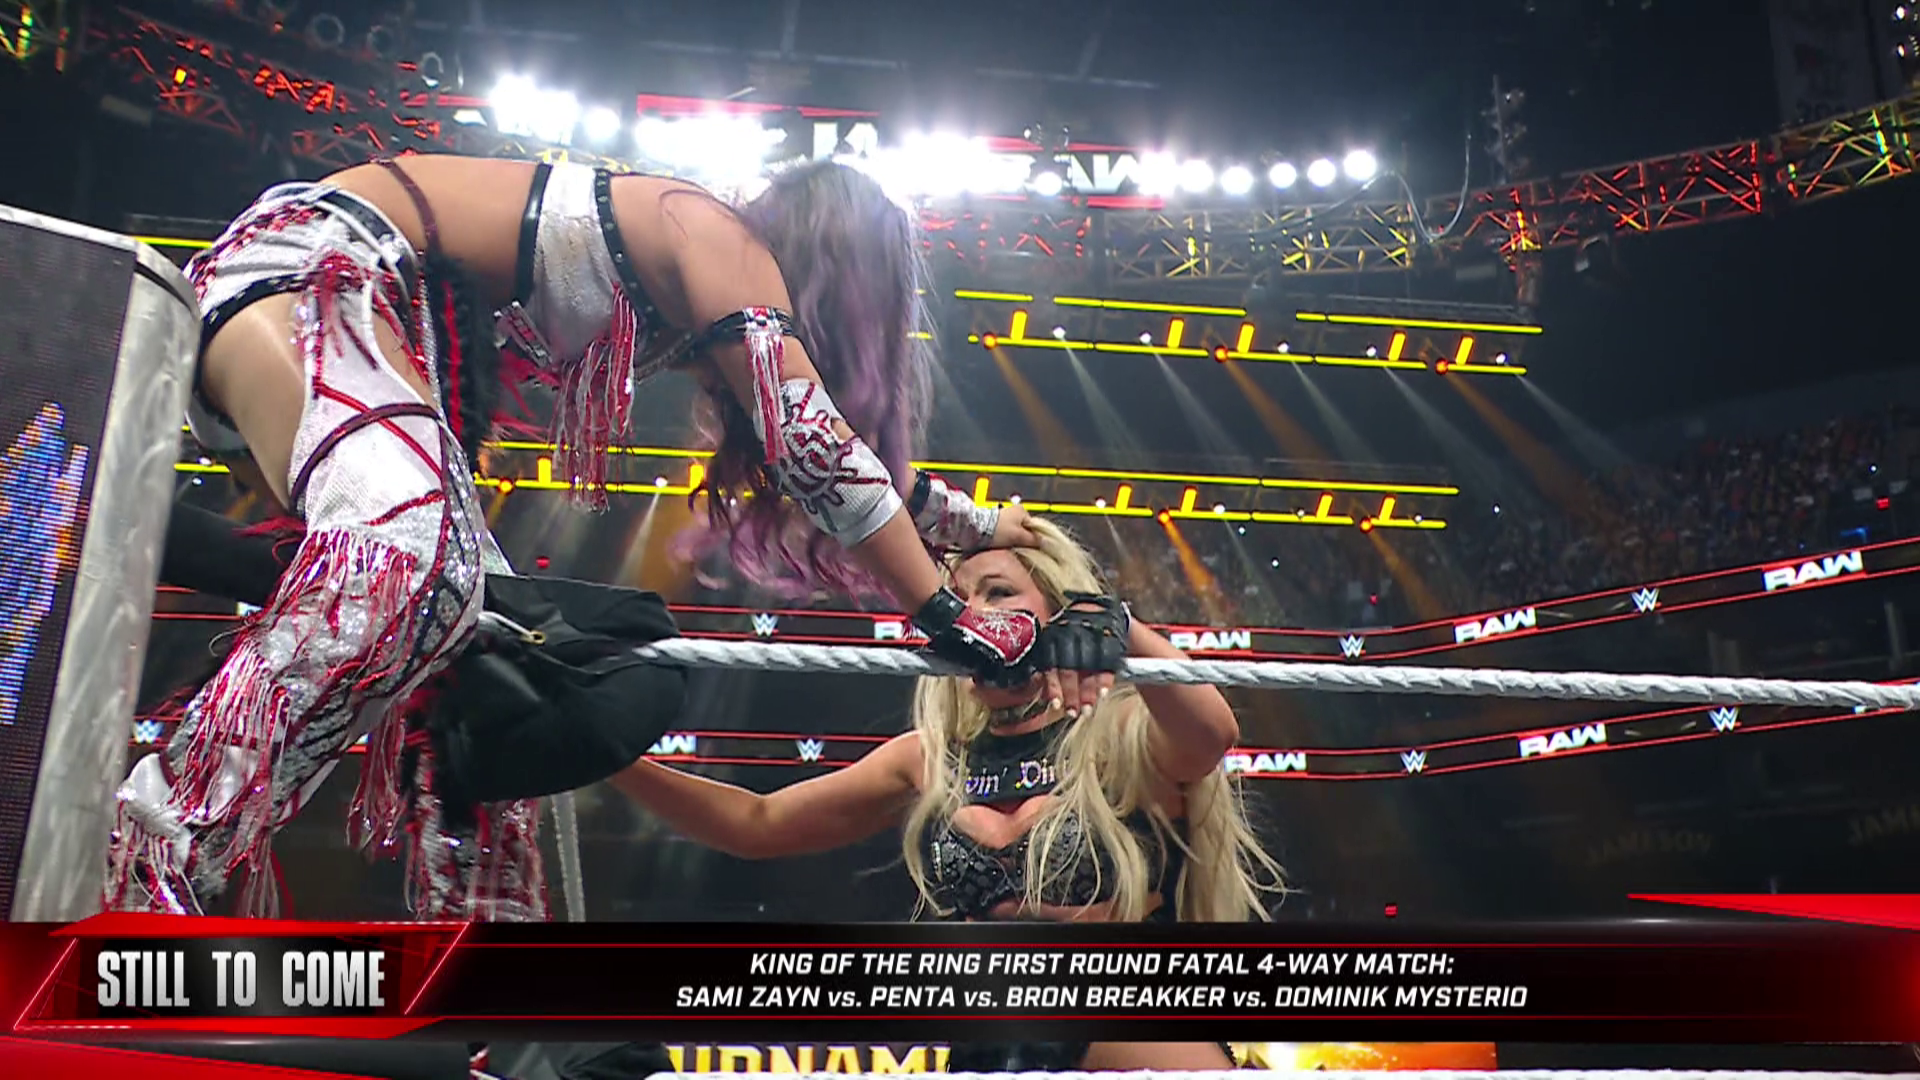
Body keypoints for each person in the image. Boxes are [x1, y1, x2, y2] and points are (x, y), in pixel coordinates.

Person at [110, 152, 1083, 920]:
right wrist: (942, 610)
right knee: (410, 565)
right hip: (314, 274)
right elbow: (812, 444)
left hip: (367, 335)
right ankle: (156, 839)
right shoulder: (711, 231)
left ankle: (484, 973)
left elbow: (830, 454)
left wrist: (976, 526)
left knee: (494, 669)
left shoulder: (717, 297)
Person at [609, 516, 1284, 1073]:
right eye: (959, 602)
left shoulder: (1121, 732)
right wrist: (604, 753)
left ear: (1057, 610)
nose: (976, 616)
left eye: (999, 593)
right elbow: (756, 822)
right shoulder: (930, 757)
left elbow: (1212, 732)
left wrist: (1117, 625)